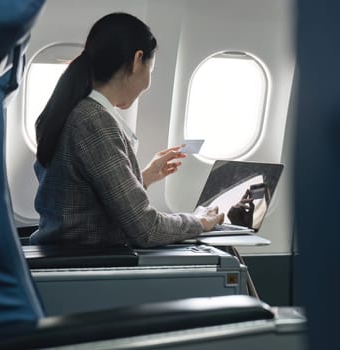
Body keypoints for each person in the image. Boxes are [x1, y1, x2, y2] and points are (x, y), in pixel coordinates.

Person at [30, 12, 224, 248]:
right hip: (92, 263)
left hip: (77, 254)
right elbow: (146, 230)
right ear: (137, 60)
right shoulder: (93, 121)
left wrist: (146, 177)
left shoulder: (75, 110)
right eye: (150, 70)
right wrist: (199, 222)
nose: (148, 81)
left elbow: (89, 204)